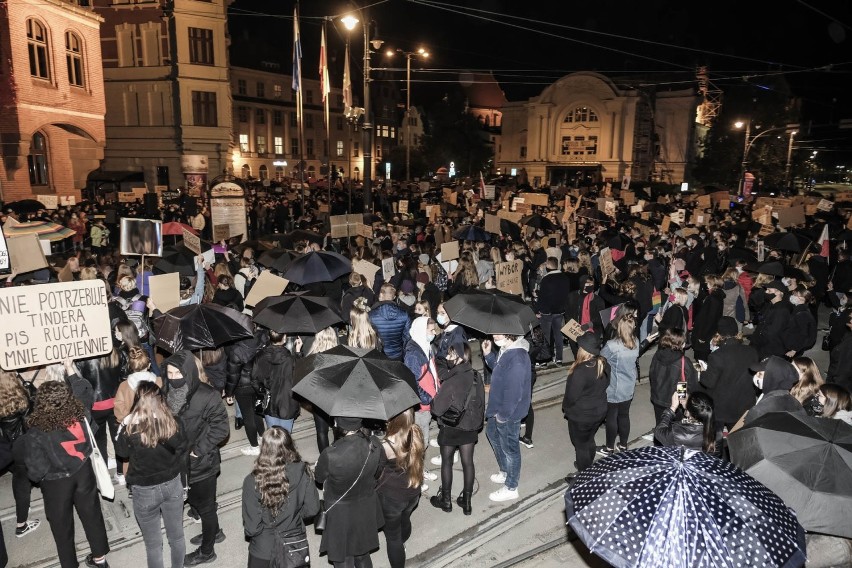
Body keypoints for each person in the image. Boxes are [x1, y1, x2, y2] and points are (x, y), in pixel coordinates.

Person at [23, 380, 111, 568]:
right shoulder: (82, 415)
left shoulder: (36, 432)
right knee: (92, 514)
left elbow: (36, 472)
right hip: (83, 472)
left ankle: (70, 564)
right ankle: (100, 559)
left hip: (57, 484)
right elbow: (93, 430)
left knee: (62, 526)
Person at [162, 351, 229, 566]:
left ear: (189, 372)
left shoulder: (207, 395)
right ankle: (215, 532)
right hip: (180, 462)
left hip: (202, 463)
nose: (173, 378)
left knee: (206, 506)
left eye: (177, 373)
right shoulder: (167, 390)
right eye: (169, 373)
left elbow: (221, 428)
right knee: (196, 501)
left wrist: (198, 450)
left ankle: (207, 551)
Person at [115, 382, 188, 568]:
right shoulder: (172, 421)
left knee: (154, 545)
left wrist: (125, 423)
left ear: (137, 400)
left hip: (145, 491)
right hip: (172, 485)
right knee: (177, 536)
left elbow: (121, 453)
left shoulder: (131, 429)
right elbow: (182, 446)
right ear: (160, 399)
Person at [242, 427, 320, 568]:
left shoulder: (252, 481)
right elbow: (313, 509)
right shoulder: (304, 471)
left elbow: (251, 528)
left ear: (264, 449)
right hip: (293, 544)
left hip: (263, 549)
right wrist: (294, 517)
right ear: (290, 445)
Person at [315, 417, 384, 568]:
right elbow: (378, 471)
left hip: (340, 513)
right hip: (365, 506)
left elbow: (319, 478)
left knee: (343, 557)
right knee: (362, 553)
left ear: (338, 426)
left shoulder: (330, 454)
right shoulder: (375, 443)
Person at [429, 343, 485, 514]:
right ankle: (466, 502)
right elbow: (481, 403)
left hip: (452, 427)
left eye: (451, 355)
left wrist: (434, 398)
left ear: (460, 358)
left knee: (447, 461)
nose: (447, 358)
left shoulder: (451, 381)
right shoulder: (476, 376)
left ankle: (445, 500)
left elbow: (437, 409)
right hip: (470, 427)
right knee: (468, 462)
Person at [481, 332, 531, 502]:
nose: (494, 335)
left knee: (510, 449)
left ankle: (511, 487)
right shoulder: (507, 349)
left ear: (510, 334)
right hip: (498, 406)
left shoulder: (517, 357)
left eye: (499, 332)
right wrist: (489, 356)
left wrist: (503, 416)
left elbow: (514, 393)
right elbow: (500, 370)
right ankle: (505, 471)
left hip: (508, 412)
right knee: (493, 435)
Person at [376, 409, 424, 568]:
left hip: (392, 498)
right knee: (405, 518)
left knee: (392, 538)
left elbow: (377, 471)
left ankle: (399, 547)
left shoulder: (385, 445)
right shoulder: (415, 433)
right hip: (413, 490)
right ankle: (403, 543)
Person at [562, 333, 610, 480]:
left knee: (580, 444)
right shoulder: (603, 363)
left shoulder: (580, 371)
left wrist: (566, 408)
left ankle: (584, 477)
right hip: (600, 411)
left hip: (582, 415)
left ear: (584, 350)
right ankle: (587, 464)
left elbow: (571, 396)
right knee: (589, 439)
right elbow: (607, 384)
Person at [699, 317, 759, 431]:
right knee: (737, 439)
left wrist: (703, 371)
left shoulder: (717, 356)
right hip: (744, 404)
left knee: (715, 439)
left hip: (722, 407)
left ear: (719, 334)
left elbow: (709, 382)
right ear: (737, 332)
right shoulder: (752, 351)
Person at [0, 371, 40, 538]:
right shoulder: (23, 397)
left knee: (18, 476)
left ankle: (24, 510)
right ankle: (21, 525)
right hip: (22, 446)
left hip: (5, 449)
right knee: (22, 481)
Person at [599, 312, 639, 456]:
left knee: (611, 416)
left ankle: (609, 448)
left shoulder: (612, 345)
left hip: (615, 387)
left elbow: (601, 359)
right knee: (624, 415)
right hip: (629, 386)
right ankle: (623, 445)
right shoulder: (636, 342)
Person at [251, 330, 302, 433]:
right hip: (287, 403)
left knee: (273, 437)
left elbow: (254, 379)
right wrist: (298, 352)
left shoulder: (260, 356)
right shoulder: (290, 359)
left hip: (269, 403)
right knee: (285, 438)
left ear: (270, 338)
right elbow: (300, 376)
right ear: (284, 339)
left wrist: (263, 392)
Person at [648, 328, 700, 424]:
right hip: (675, 403)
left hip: (657, 399)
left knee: (661, 426)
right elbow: (687, 384)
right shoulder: (684, 362)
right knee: (675, 430)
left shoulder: (657, 355)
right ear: (680, 344)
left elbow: (652, 376)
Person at [654, 391, 722, 458]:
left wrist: (673, 408)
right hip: (703, 465)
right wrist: (688, 407)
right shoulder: (718, 432)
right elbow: (716, 455)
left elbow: (659, 431)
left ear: (689, 412)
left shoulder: (677, 432)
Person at [306, 327, 339, 454]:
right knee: (337, 428)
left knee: (321, 431)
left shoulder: (312, 359)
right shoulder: (340, 356)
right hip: (335, 398)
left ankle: (324, 459)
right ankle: (337, 453)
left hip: (318, 399)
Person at [535, 257, 572, 365]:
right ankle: (559, 358)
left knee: (545, 336)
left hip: (546, 312)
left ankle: (544, 360)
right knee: (558, 335)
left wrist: (537, 310)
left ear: (548, 266)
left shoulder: (546, 279)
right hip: (559, 311)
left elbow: (542, 297)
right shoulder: (565, 278)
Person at [750, 280, 792, 359]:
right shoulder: (770, 304)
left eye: (769, 290)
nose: (766, 292)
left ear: (778, 292)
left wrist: (757, 341)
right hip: (761, 343)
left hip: (769, 348)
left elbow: (772, 332)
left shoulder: (781, 310)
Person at [370, 283, 412, 360]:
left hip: (379, 355)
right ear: (394, 297)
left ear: (381, 294)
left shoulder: (371, 315)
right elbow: (407, 336)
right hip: (398, 354)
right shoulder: (404, 314)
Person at [785, 289, 817, 358]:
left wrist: (794, 350)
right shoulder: (799, 308)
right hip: (794, 338)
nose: (793, 296)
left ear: (802, 299)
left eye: (796, 295)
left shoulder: (802, 314)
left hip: (797, 345)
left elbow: (803, 335)